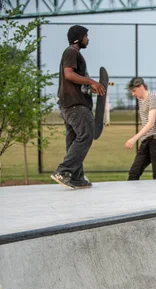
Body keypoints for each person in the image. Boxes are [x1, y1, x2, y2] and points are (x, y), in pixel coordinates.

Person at [51, 25, 105, 189]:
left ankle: (75, 177)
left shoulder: (74, 54)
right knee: (86, 136)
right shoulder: (71, 52)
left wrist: (90, 88)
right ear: (78, 38)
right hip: (76, 106)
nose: (88, 39)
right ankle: (64, 171)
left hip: (70, 105)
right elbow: (69, 74)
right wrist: (91, 81)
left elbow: (74, 81)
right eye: (86, 36)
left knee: (74, 140)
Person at [125, 77, 156, 180]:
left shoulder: (153, 97)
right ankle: (132, 195)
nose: (133, 94)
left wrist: (134, 138)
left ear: (141, 87)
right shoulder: (140, 100)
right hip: (146, 140)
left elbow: (151, 123)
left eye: (134, 91)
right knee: (134, 173)